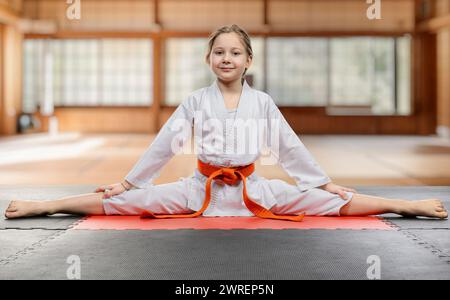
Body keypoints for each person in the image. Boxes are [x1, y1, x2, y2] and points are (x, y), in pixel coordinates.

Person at [4, 24, 447, 220]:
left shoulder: (263, 102)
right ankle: (44, 206)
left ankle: (405, 206)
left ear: (248, 59)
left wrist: (323, 182)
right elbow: (165, 143)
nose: (227, 58)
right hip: (200, 188)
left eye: (235, 52)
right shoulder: (196, 101)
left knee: (331, 202)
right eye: (219, 52)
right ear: (208, 59)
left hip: (256, 190)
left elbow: (289, 146)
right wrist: (129, 181)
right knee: (126, 203)